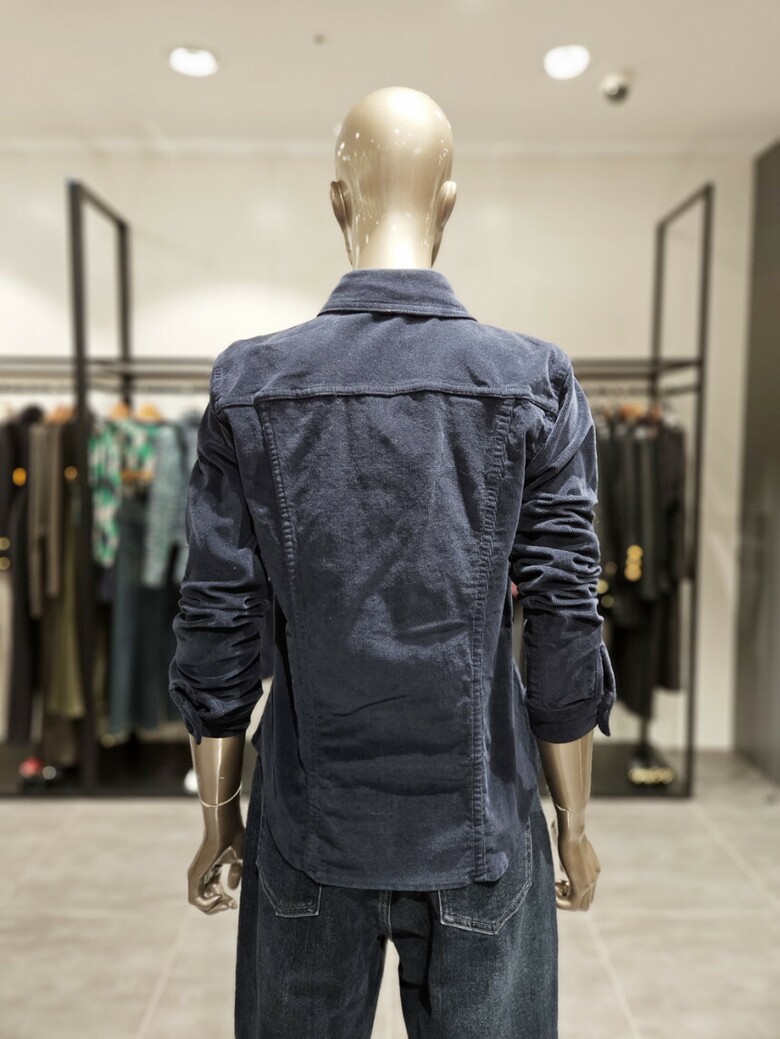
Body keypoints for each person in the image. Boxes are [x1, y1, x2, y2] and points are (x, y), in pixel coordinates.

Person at [169, 86, 616, 1039]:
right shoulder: (533, 380)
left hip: (307, 827)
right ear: (449, 202)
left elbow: (218, 615)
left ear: (337, 201)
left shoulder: (250, 383)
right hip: (481, 831)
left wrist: (218, 811)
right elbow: (563, 615)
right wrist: (572, 818)